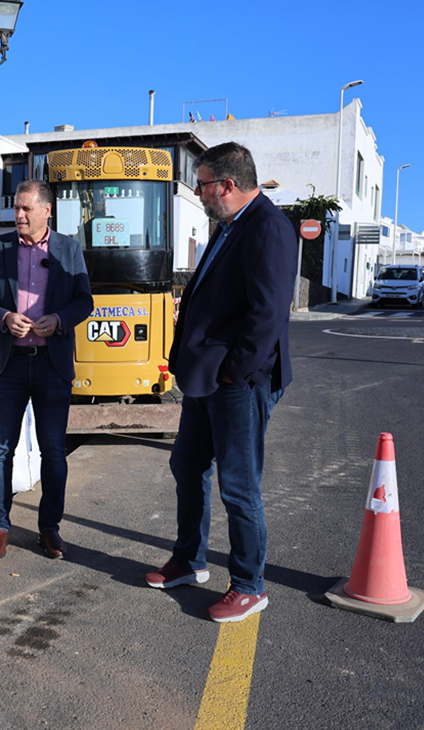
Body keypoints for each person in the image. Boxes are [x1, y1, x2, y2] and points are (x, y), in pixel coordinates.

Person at [145, 143, 296, 623]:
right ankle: (189, 560)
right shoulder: (229, 226)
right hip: (207, 379)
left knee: (238, 485)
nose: (199, 192)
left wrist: (237, 371)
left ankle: (249, 585)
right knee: (187, 466)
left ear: (229, 185)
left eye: (204, 184)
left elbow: (268, 314)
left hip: (237, 383)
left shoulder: (268, 227)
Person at [0, 179, 93, 560]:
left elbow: (84, 300)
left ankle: (49, 528)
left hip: (52, 366)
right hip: (8, 366)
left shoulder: (69, 250)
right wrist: (5, 317)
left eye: (26, 209)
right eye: (16, 209)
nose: (18, 215)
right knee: (1, 449)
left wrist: (58, 320)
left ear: (46, 211)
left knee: (54, 451)